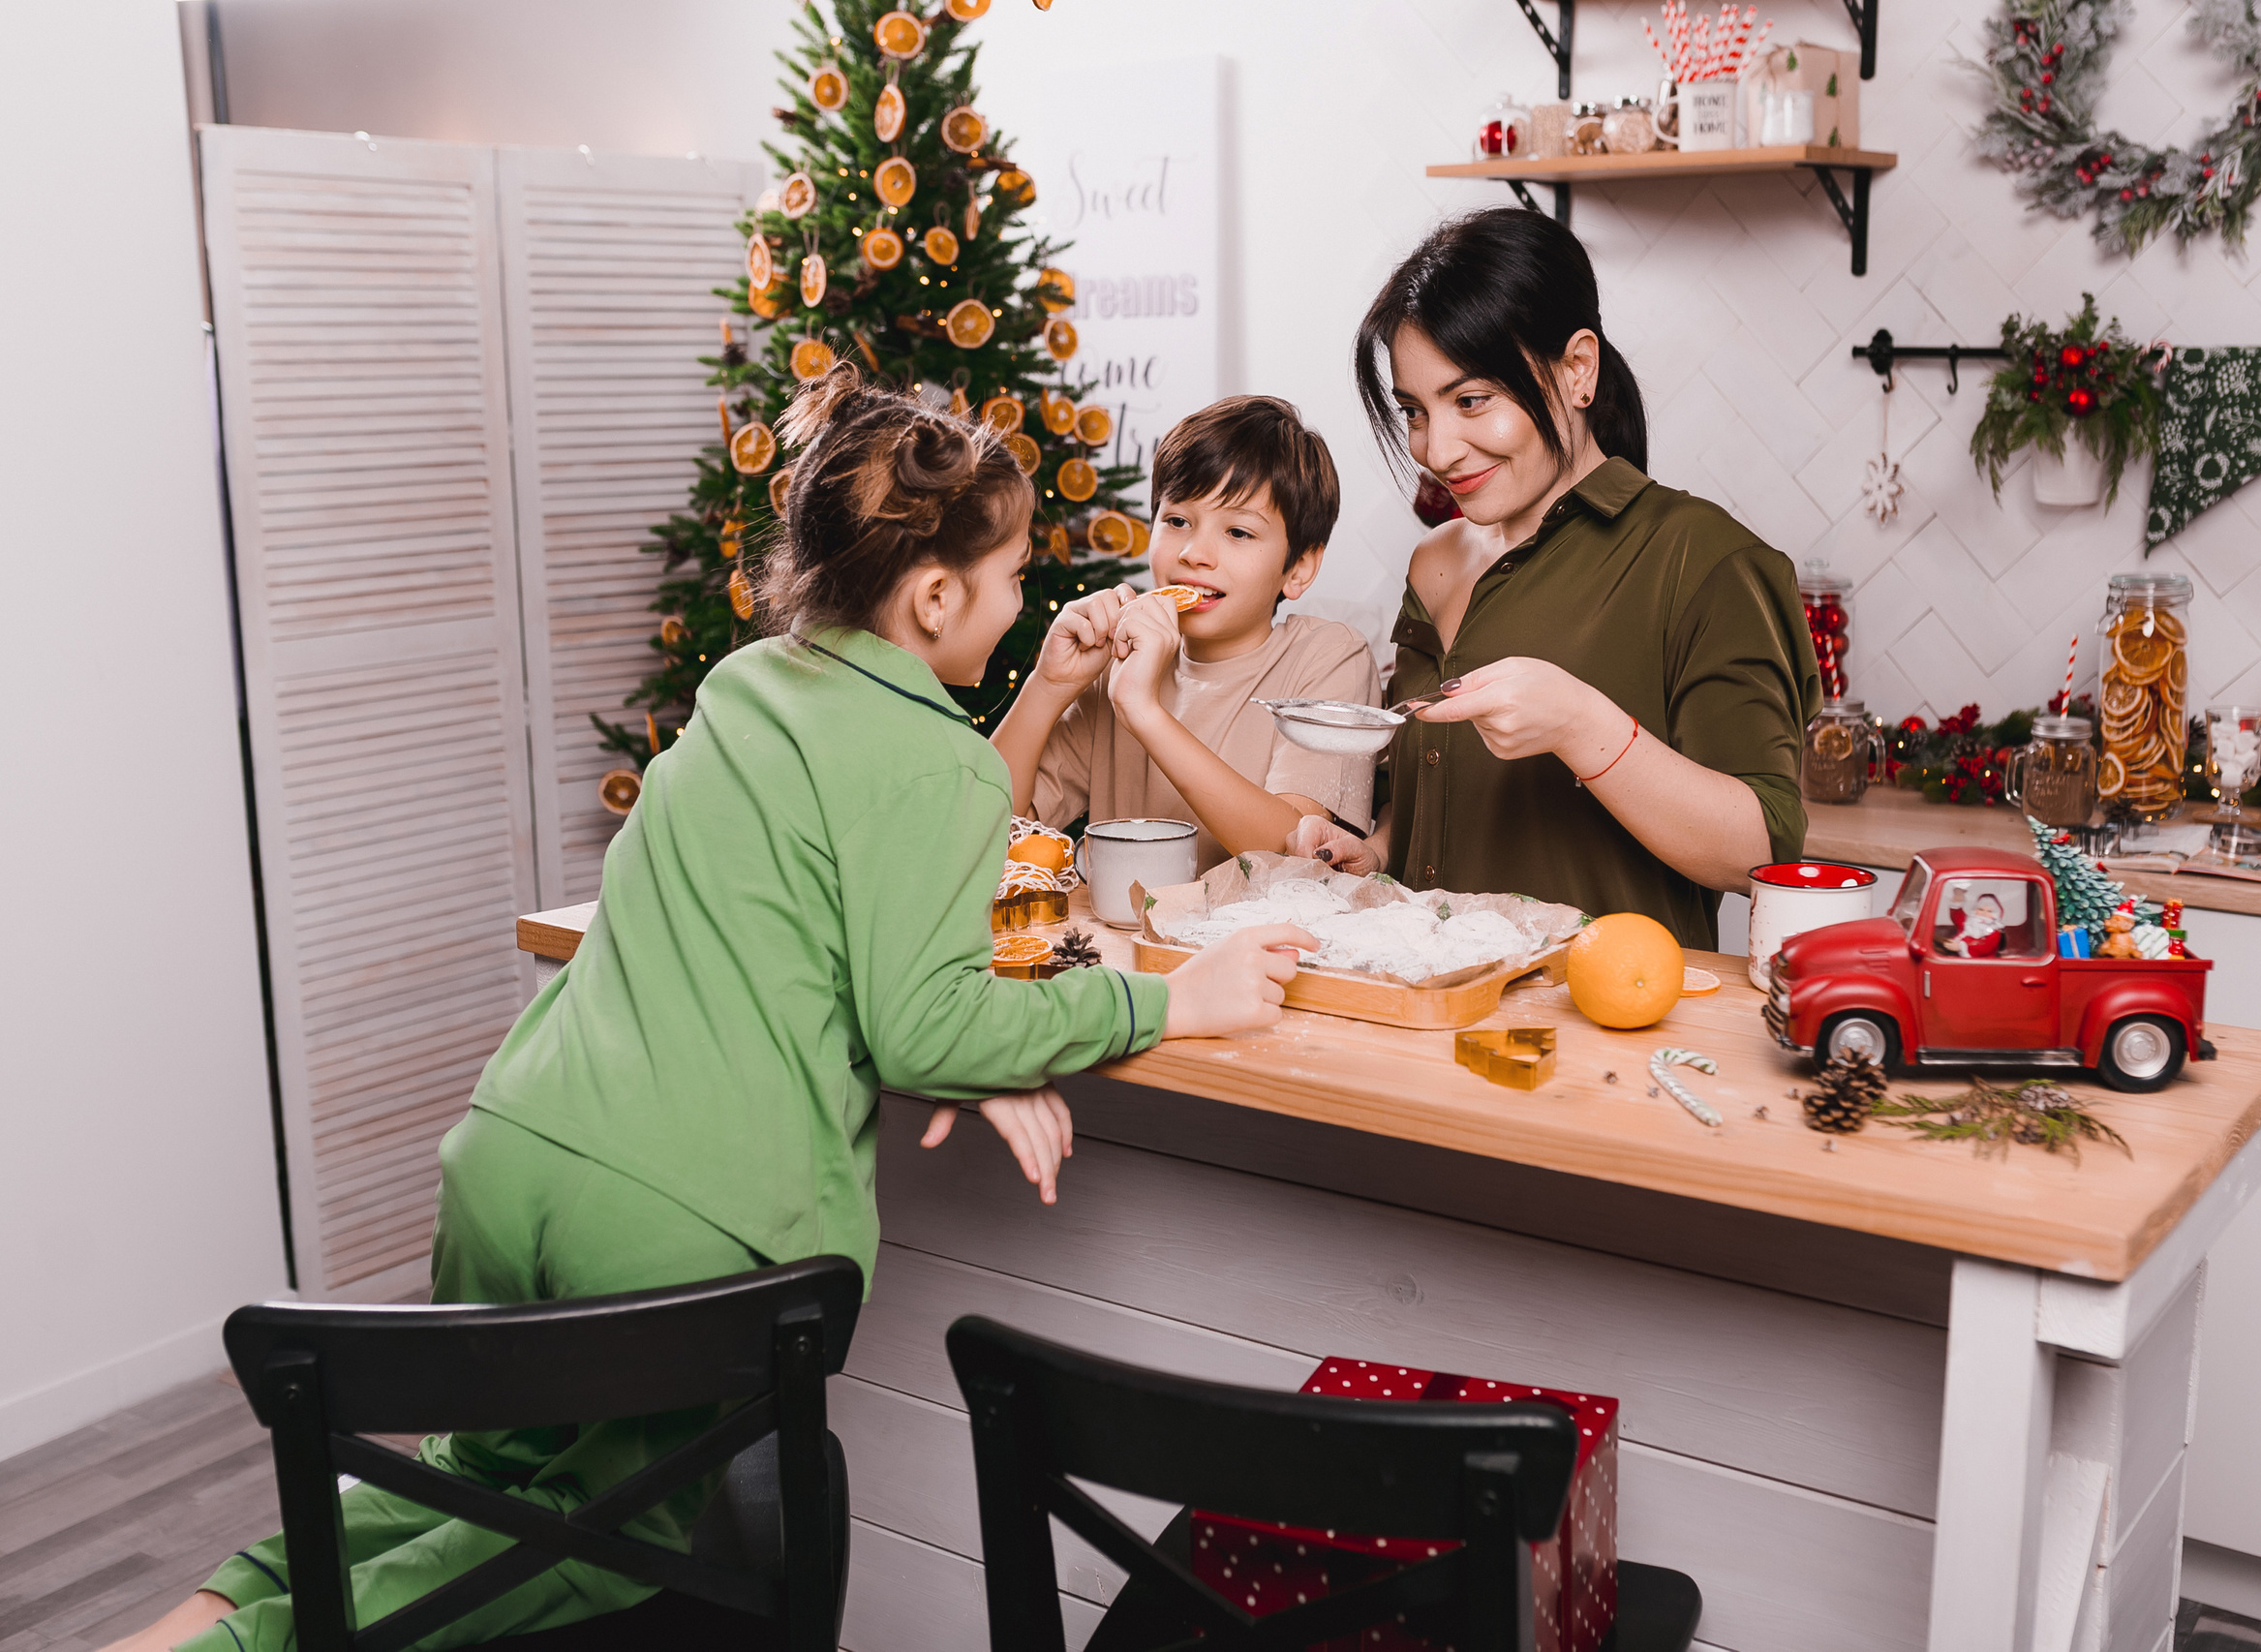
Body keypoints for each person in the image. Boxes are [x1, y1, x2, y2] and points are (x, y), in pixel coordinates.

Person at [115, 364, 1313, 1652]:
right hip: (667, 1231)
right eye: (1016, 576)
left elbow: (851, 932)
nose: (1026, 601)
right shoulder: (933, 764)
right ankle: (247, 1650)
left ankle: (213, 1605)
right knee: (604, 1531)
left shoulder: (747, 688)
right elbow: (921, 1015)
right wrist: (1165, 1009)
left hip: (510, 1162)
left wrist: (974, 1022)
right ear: (932, 594)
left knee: (472, 1470)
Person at [1288, 208, 1819, 949]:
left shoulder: (1704, 561)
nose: (1436, 449)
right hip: (1422, 1016)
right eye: (1415, 410)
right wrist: (1373, 851)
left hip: (1605, 1033)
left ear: (1577, 370)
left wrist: (1583, 727)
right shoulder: (1434, 567)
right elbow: (1436, 792)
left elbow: (1762, 852)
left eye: (1472, 401)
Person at [992, 395, 1378, 870]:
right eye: (1176, 521)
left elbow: (1294, 850)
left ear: (1299, 567)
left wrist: (1143, 711)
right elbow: (989, 828)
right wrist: (1047, 686)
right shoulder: (1114, 664)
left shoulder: (1328, 657)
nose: (1195, 552)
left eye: (1238, 532)